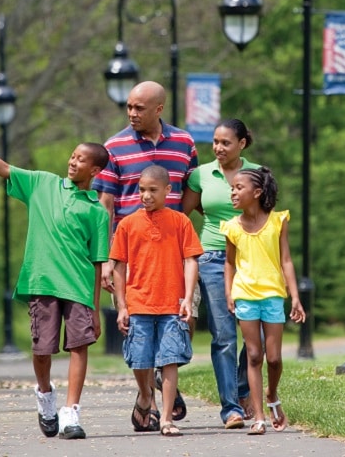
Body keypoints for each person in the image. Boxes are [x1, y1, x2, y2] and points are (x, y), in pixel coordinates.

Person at [0, 131, 110, 440]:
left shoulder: (97, 212)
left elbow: (97, 262)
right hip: (43, 281)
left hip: (77, 286)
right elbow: (5, 168)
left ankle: (71, 413)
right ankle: (45, 397)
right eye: (73, 156)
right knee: (42, 349)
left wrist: (95, 308)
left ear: (95, 171)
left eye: (81, 160)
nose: (73, 162)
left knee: (79, 347)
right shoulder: (42, 184)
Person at [93, 80, 198, 420]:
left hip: (174, 252)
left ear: (159, 109)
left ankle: (166, 368)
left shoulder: (184, 142)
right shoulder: (114, 146)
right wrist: (108, 259)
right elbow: (105, 204)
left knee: (187, 317)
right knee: (136, 329)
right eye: (129, 107)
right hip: (131, 254)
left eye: (139, 108)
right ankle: (145, 397)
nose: (132, 113)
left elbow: (191, 189)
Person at [110, 165, 203, 437]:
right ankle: (145, 395)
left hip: (171, 304)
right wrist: (122, 306)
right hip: (138, 302)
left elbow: (190, 261)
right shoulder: (127, 224)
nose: (146, 195)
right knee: (140, 360)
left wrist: (186, 298)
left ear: (167, 190)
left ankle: (165, 419)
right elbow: (119, 267)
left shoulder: (180, 222)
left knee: (169, 360)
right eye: (142, 190)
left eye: (153, 190)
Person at [181, 119, 259, 429]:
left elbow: (264, 215)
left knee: (259, 335)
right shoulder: (201, 175)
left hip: (252, 258)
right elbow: (182, 216)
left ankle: (243, 389)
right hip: (212, 258)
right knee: (224, 335)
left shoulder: (256, 173)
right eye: (215, 141)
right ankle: (231, 409)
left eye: (225, 142)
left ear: (241, 144)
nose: (218, 147)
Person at [220, 166, 306, 435]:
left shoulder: (278, 221)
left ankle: (272, 394)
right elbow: (229, 263)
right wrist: (229, 292)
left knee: (275, 359)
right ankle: (258, 417)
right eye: (232, 188)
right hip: (245, 295)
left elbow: (286, 260)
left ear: (256, 192)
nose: (233, 192)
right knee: (254, 356)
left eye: (238, 188)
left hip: (272, 295)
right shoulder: (232, 227)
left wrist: (295, 297)